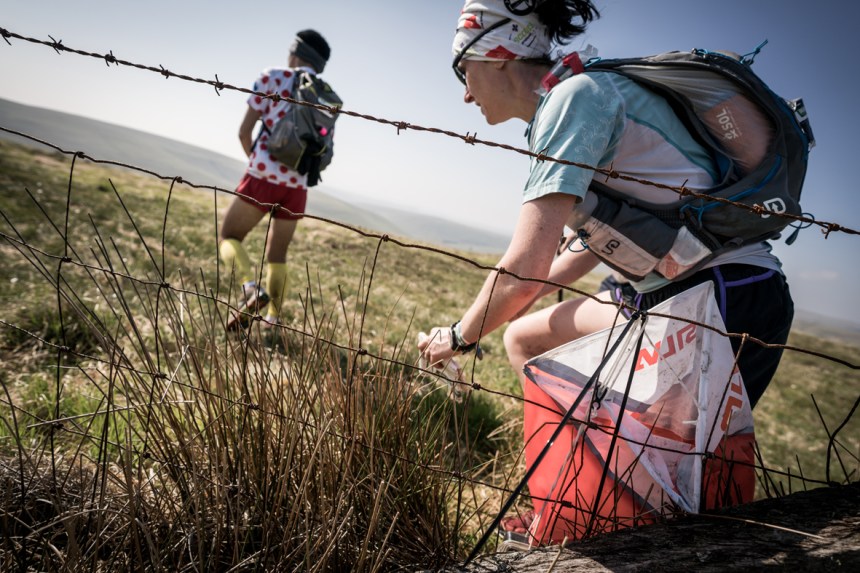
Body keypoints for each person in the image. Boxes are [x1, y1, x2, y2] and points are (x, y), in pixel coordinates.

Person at [418, 0, 793, 410]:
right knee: (523, 338)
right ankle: (581, 465)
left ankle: (588, 466)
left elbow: (526, 268)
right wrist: (511, 305)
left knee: (661, 471)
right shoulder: (574, 98)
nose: (467, 94)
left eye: (462, 70)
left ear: (497, 55)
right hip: (692, 291)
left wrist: (457, 338)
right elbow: (593, 239)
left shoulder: (573, 100)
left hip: (718, 296)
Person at [219, 29, 332, 331]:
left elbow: (244, 132)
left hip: (262, 177)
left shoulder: (272, 77)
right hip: (298, 187)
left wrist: (257, 164)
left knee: (228, 236)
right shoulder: (326, 94)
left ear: (296, 54)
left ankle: (250, 289)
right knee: (277, 255)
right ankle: (273, 320)